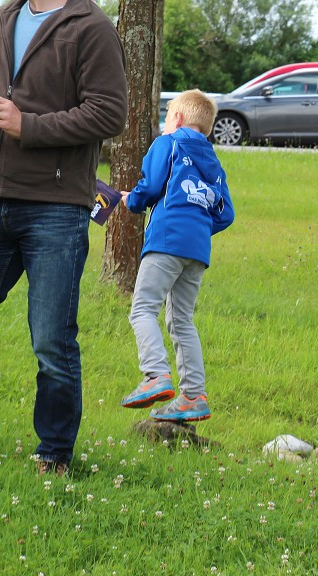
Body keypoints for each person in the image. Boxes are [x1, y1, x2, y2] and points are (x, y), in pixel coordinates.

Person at [0, 0, 128, 473]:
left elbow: (110, 113)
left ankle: (54, 452)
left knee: (51, 342)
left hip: (55, 210)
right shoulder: (2, 18)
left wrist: (25, 125)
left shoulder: (91, 27)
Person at [119, 90, 234, 423]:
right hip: (197, 251)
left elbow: (150, 185)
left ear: (178, 119)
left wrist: (133, 202)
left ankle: (155, 375)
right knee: (181, 321)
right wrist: (196, 228)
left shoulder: (166, 143)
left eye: (167, 118)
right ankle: (194, 396)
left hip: (166, 240)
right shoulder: (214, 162)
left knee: (143, 309)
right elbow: (226, 214)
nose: (165, 124)